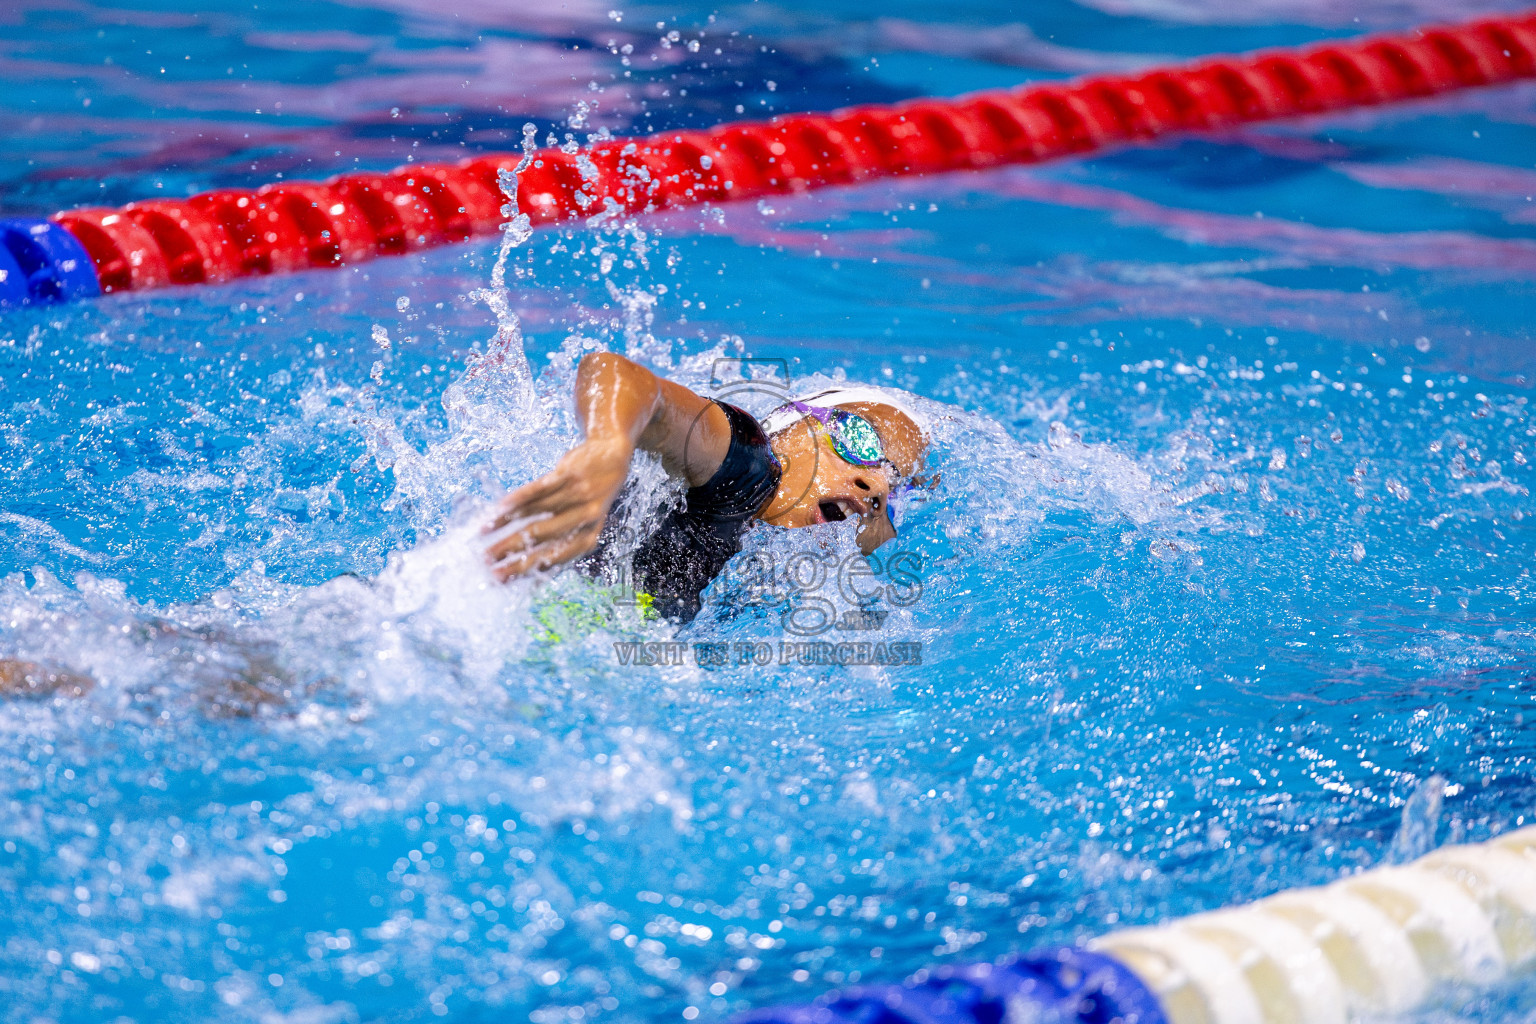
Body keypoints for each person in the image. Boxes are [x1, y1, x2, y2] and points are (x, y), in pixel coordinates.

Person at [483, 352, 930, 620]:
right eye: (859, 439)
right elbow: (619, 376)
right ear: (790, 429)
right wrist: (608, 445)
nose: (875, 486)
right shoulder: (747, 469)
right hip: (499, 605)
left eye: (894, 487)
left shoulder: (775, 573)